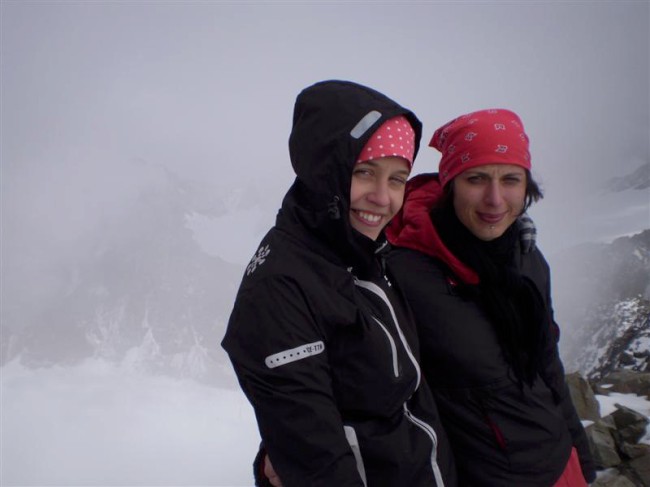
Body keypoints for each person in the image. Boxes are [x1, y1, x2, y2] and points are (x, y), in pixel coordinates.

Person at [221, 80, 456, 486]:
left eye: (397, 179)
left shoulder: (365, 255)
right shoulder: (281, 288)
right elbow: (319, 463)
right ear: (323, 169)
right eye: (364, 172)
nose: (383, 198)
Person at [385, 108, 596, 486]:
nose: (495, 199)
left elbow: (547, 365)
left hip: (562, 464)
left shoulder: (526, 256)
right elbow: (361, 379)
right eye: (476, 179)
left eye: (511, 180)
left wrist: (580, 449)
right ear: (450, 184)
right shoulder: (405, 272)